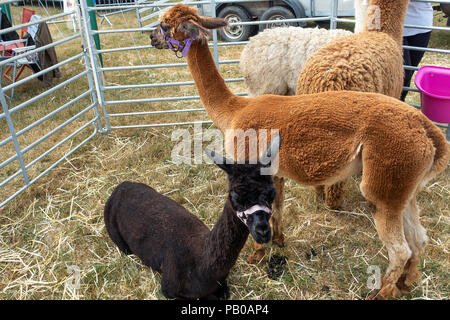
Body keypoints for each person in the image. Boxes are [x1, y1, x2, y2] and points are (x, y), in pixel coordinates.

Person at [401, 1, 434, 101]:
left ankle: (399, 105)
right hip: (394, 25)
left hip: (421, 26)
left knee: (409, 73)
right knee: (403, 74)